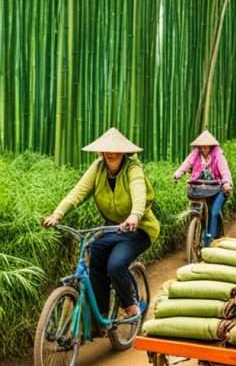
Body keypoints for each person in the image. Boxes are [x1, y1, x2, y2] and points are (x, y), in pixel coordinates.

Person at [43, 128, 159, 321]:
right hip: (112, 228)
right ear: (100, 152)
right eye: (106, 150)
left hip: (138, 229)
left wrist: (135, 216)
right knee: (95, 254)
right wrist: (57, 214)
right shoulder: (98, 168)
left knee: (115, 265)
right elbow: (77, 192)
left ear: (123, 152)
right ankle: (102, 313)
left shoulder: (133, 168)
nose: (110, 153)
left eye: (115, 150)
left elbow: (138, 191)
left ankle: (131, 305)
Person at [174, 130, 233, 245]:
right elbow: (186, 164)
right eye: (202, 147)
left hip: (218, 188)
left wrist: (227, 183)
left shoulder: (218, 154)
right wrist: (178, 174)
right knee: (196, 211)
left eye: (207, 147)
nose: (204, 149)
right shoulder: (195, 153)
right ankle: (196, 231)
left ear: (211, 146)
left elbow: (224, 170)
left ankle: (210, 240)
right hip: (201, 187)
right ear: (199, 146)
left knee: (214, 211)